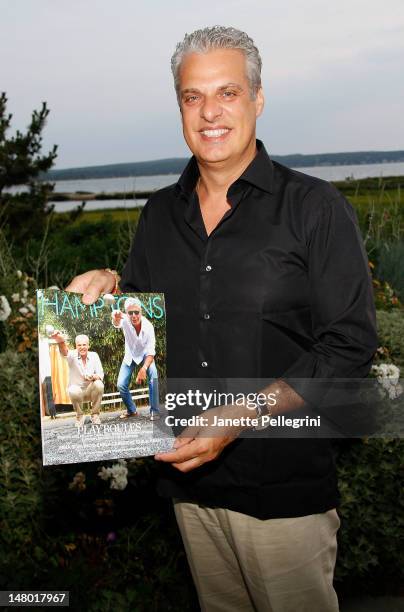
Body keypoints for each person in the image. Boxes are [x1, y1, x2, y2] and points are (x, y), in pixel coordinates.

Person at [66, 26, 377, 612]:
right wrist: (109, 289)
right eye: (192, 96)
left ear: (258, 99)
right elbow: (144, 321)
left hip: (285, 494)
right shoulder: (158, 214)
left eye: (228, 93)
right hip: (189, 488)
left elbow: (349, 347)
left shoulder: (314, 208)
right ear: (179, 106)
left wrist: (239, 415)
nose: (209, 112)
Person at [111, 297, 160, 420]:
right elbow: (117, 321)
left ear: (141, 312)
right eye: (130, 313)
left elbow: (151, 352)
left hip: (145, 355)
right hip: (130, 354)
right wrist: (115, 318)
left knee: (153, 375)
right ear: (127, 314)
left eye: (136, 312)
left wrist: (144, 368)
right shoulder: (125, 320)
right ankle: (131, 410)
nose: (134, 316)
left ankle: (155, 411)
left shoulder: (149, 327)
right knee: (121, 384)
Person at [52, 331, 104, 426]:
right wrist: (60, 341)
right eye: (79, 345)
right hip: (77, 392)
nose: (82, 347)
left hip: (90, 391)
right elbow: (65, 352)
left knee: (99, 384)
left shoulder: (94, 355)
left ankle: (95, 415)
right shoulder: (72, 355)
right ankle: (80, 416)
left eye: (84, 345)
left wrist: (93, 377)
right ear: (76, 346)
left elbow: (100, 374)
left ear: (88, 346)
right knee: (72, 390)